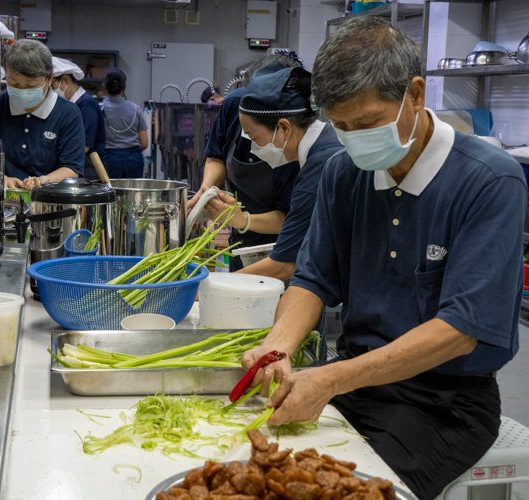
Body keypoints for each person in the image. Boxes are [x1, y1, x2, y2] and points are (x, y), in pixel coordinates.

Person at [241, 17, 525, 500]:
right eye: (341, 126)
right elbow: (311, 280)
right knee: (265, 476)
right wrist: (279, 347)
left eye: (367, 123)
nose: (354, 139)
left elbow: (458, 331)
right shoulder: (342, 173)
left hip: (445, 403)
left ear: (415, 94)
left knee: (344, 492)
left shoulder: (489, 181)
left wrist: (327, 378)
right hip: (354, 382)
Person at [204, 61, 342, 281]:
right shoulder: (322, 146)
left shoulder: (320, 167)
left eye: (255, 138)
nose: (255, 149)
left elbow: (284, 266)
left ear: (284, 127)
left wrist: (210, 286)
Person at [188, 53, 304, 271]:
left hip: (283, 248)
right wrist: (208, 188)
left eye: (256, 135)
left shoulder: (301, 148)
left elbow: (293, 219)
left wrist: (244, 220)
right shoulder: (235, 105)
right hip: (242, 240)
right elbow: (217, 155)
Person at [0, 40, 85, 189]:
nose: (22, 91)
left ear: (50, 78)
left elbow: (72, 168)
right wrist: (1, 178)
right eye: (13, 84)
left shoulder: (68, 113)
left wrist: (43, 181)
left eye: (31, 85)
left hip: (48, 200)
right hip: (1, 199)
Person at [51, 57, 106, 181]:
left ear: (65, 80)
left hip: (88, 175)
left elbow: (83, 147)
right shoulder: (69, 106)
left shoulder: (86, 106)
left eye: (51, 85)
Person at [100, 69, 148, 179]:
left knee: (111, 194)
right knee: (133, 195)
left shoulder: (99, 109)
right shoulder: (136, 109)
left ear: (104, 86)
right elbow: (144, 143)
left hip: (110, 161)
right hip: (134, 160)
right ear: (124, 87)